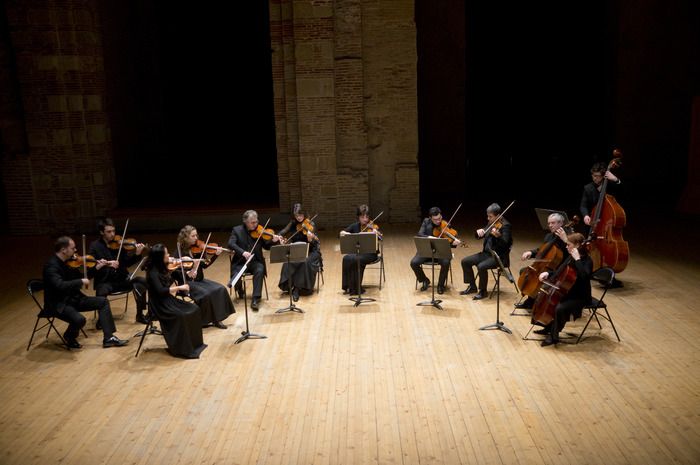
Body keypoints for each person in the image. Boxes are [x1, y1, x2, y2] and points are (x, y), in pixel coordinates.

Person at [42, 236, 129, 349]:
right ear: (63, 250)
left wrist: (98, 267)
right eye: (73, 248)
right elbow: (60, 285)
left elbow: (83, 277)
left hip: (74, 298)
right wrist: (80, 281)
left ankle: (109, 338)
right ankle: (69, 336)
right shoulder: (51, 266)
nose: (76, 251)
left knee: (103, 302)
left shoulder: (68, 262)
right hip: (58, 303)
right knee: (80, 320)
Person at [144, 243, 207, 358]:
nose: (169, 255)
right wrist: (179, 287)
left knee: (194, 309)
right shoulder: (152, 272)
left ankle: (195, 344)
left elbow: (182, 277)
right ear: (159, 257)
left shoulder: (165, 267)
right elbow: (160, 291)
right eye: (166, 254)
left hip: (168, 300)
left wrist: (190, 268)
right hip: (160, 304)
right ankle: (181, 348)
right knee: (182, 316)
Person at [534, 233, 593, 347]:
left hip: (580, 296)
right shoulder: (570, 257)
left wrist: (578, 260)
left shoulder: (587, 261)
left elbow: (584, 277)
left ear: (577, 245)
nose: (566, 247)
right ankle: (548, 328)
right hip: (567, 292)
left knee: (560, 308)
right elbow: (560, 272)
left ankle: (553, 336)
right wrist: (548, 273)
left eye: (569, 245)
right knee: (547, 299)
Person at [173, 225, 235, 328]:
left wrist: (216, 255)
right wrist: (188, 274)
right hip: (187, 283)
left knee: (220, 289)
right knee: (206, 294)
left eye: (196, 235)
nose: (196, 238)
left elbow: (205, 265)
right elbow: (175, 272)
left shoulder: (198, 249)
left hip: (200, 280)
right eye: (193, 236)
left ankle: (217, 319)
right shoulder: (179, 252)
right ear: (185, 237)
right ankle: (203, 321)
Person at [88, 218, 148, 324]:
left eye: (113, 231)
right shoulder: (95, 247)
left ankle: (140, 315)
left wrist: (137, 254)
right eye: (109, 232)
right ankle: (102, 320)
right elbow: (91, 270)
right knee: (101, 291)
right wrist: (106, 264)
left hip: (121, 279)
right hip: (106, 281)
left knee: (142, 282)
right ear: (102, 232)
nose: (112, 234)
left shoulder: (119, 243)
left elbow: (126, 262)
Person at [580, 161, 624, 288]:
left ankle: (609, 273)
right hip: (593, 223)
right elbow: (583, 205)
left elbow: (625, 192)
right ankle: (593, 270)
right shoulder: (588, 188)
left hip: (607, 224)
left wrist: (615, 179)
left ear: (604, 175)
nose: (595, 178)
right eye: (593, 175)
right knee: (589, 246)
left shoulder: (611, 186)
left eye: (598, 176)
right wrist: (586, 215)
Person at [228, 210, 282, 311]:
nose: (255, 224)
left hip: (255, 261)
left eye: (256, 222)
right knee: (236, 275)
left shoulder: (260, 231)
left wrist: (273, 241)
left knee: (260, 269)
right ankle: (239, 289)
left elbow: (266, 247)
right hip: (240, 261)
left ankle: (255, 299)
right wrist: (243, 252)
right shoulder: (237, 230)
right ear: (245, 221)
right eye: (252, 222)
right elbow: (231, 244)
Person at [514, 212, 570, 309]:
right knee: (524, 271)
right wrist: (531, 252)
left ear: (561, 223)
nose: (550, 225)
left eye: (553, 223)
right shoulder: (549, 236)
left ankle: (540, 303)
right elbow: (541, 250)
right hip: (546, 266)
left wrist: (565, 240)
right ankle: (531, 301)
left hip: (558, 269)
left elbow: (573, 253)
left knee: (539, 279)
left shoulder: (568, 237)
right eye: (549, 223)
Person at [460, 203, 512, 300]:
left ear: (498, 215)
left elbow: (506, 243)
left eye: (490, 216)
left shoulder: (506, 226)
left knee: (481, 266)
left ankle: (483, 291)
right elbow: (482, 233)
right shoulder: (492, 223)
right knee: (465, 261)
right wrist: (478, 232)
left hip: (499, 257)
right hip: (487, 254)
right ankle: (472, 287)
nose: (488, 218)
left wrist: (498, 236)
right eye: (488, 216)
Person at [410, 206, 462, 294]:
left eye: (439, 218)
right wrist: (429, 237)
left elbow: (451, 238)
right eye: (435, 219)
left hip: (441, 251)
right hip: (427, 250)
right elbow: (420, 234)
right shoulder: (426, 222)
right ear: (430, 218)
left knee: (446, 263)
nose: (438, 221)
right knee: (414, 263)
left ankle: (441, 285)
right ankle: (425, 280)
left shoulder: (445, 224)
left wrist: (453, 243)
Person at [277, 204, 323, 301]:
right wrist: (279, 237)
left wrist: (310, 239)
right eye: (296, 215)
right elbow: (283, 232)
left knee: (305, 261)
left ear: (304, 214)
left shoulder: (310, 224)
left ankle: (298, 288)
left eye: (300, 215)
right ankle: (289, 285)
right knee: (288, 261)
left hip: (312, 251)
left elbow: (315, 242)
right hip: (298, 250)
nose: (299, 217)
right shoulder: (293, 223)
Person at [339, 204, 381, 294]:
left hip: (370, 254)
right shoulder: (355, 226)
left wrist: (376, 233)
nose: (365, 219)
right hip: (358, 252)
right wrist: (343, 232)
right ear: (358, 217)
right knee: (346, 258)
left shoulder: (372, 227)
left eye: (367, 216)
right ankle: (347, 286)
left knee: (356, 259)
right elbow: (342, 232)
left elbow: (381, 238)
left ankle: (356, 288)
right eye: (362, 217)